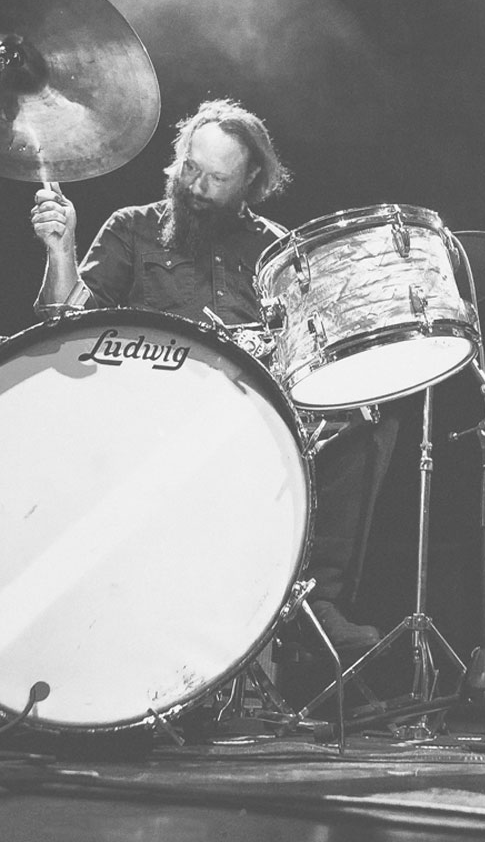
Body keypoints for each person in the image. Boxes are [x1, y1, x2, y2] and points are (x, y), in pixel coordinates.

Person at [30, 97, 395, 652]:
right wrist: (61, 251)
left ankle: (315, 600)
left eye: (216, 178)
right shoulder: (132, 228)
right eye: (190, 169)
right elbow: (67, 332)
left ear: (250, 180)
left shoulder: (277, 248)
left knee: (366, 420)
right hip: (151, 414)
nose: (196, 188)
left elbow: (305, 350)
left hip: (254, 416)